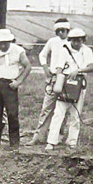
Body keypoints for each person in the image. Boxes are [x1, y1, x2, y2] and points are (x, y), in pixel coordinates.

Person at [46, 28, 93, 151]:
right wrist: (57, 80)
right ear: (70, 40)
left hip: (79, 83)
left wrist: (78, 70)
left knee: (75, 113)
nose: (76, 43)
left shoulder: (87, 51)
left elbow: (91, 66)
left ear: (83, 40)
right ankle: (51, 141)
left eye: (79, 40)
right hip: (65, 82)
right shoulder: (65, 50)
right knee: (59, 112)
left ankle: (72, 141)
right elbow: (59, 67)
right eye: (74, 40)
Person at [0, 29, 31, 150]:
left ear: (10, 41)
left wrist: (18, 82)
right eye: (0, 42)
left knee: (12, 114)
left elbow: (28, 66)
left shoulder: (18, 51)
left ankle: (14, 143)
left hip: (10, 86)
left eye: (5, 42)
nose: (3, 45)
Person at [27, 18, 70, 146]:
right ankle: (39, 136)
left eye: (64, 30)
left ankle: (59, 136)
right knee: (46, 108)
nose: (61, 33)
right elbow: (42, 55)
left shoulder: (72, 43)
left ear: (68, 30)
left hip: (66, 78)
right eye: (59, 31)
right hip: (53, 78)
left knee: (64, 108)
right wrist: (45, 68)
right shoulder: (52, 41)